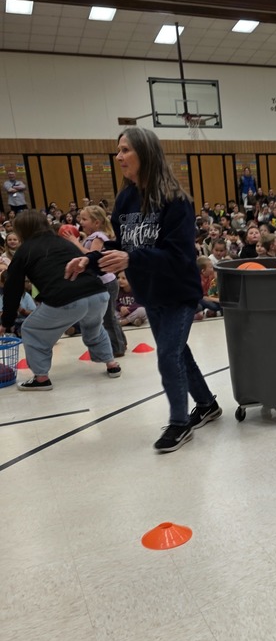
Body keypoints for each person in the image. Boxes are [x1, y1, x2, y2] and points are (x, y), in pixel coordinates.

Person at [65, 127, 221, 453]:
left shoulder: (176, 201)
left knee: (167, 355)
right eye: (118, 150)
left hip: (178, 292)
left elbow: (179, 256)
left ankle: (179, 424)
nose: (119, 156)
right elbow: (122, 246)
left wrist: (131, 257)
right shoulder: (125, 199)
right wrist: (89, 261)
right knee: (178, 352)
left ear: (145, 153)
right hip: (149, 292)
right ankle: (207, 405)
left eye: (125, 150)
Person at [0, 210, 121, 389]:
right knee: (94, 327)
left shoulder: (24, 251)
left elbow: (13, 288)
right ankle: (112, 365)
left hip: (66, 298)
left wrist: (6, 321)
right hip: (98, 293)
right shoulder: (63, 242)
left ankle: (41, 378)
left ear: (21, 230)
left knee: (31, 329)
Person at [62, 204, 128, 357]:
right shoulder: (91, 236)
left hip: (107, 282)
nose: (81, 222)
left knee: (108, 317)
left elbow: (93, 255)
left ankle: (117, 348)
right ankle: (121, 343)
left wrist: (75, 243)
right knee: (109, 316)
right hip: (104, 282)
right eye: (80, 218)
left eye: (84, 219)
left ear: (97, 222)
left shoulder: (99, 236)